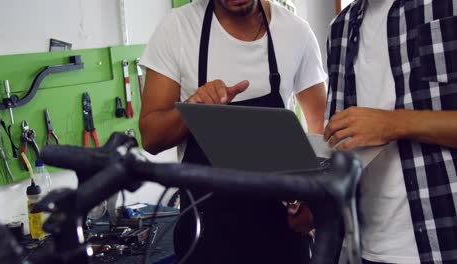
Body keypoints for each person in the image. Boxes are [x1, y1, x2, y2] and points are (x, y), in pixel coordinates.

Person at [139, 0, 327, 263]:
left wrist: (314, 206)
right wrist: (193, 108)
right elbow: (151, 137)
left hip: (281, 235)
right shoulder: (177, 29)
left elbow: (321, 131)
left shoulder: (296, 32)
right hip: (205, 238)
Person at [325, 0, 457, 263]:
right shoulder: (339, 29)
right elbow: (339, 142)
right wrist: (315, 201)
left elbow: (384, 124)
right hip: (365, 250)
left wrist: (394, 124)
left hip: (446, 244)